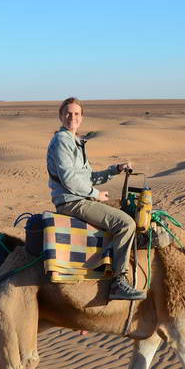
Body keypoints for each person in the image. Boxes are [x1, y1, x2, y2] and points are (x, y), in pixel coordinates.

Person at [46, 97, 146, 301]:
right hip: (72, 202)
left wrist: (114, 170)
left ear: (82, 118)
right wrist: (96, 194)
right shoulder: (61, 141)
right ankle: (119, 281)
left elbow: (88, 177)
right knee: (126, 224)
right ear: (60, 116)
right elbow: (70, 179)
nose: (71, 117)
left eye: (76, 114)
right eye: (67, 113)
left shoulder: (75, 142)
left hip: (80, 198)